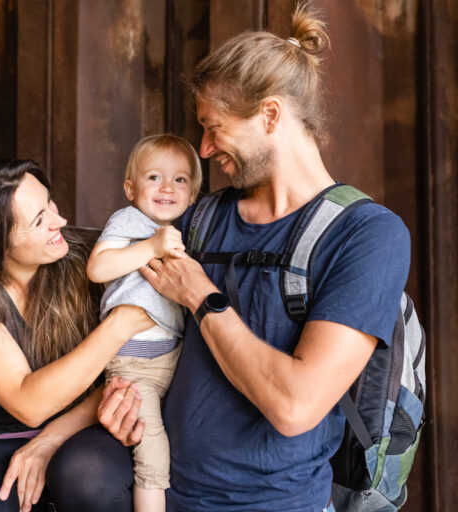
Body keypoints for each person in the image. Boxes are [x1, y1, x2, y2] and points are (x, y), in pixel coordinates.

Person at [97, 4, 411, 511]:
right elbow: (149, 340)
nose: (201, 149)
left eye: (214, 128)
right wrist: (127, 399)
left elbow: (295, 405)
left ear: (269, 114)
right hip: (164, 495)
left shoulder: (368, 235)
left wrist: (201, 294)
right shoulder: (202, 218)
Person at [0, 159, 153, 512]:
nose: (59, 220)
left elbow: (136, 366)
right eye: (38, 220)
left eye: (50, 203)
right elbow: (28, 403)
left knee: (86, 476)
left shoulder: (96, 257)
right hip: (5, 438)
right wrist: (120, 324)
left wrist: (54, 437)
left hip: (94, 424)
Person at [86, 133, 201, 512]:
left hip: (175, 356)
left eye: (180, 180)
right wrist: (150, 248)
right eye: (154, 177)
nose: (167, 187)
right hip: (135, 365)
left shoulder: (189, 231)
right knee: (152, 454)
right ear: (130, 188)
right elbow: (98, 268)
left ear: (194, 193)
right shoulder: (130, 220)